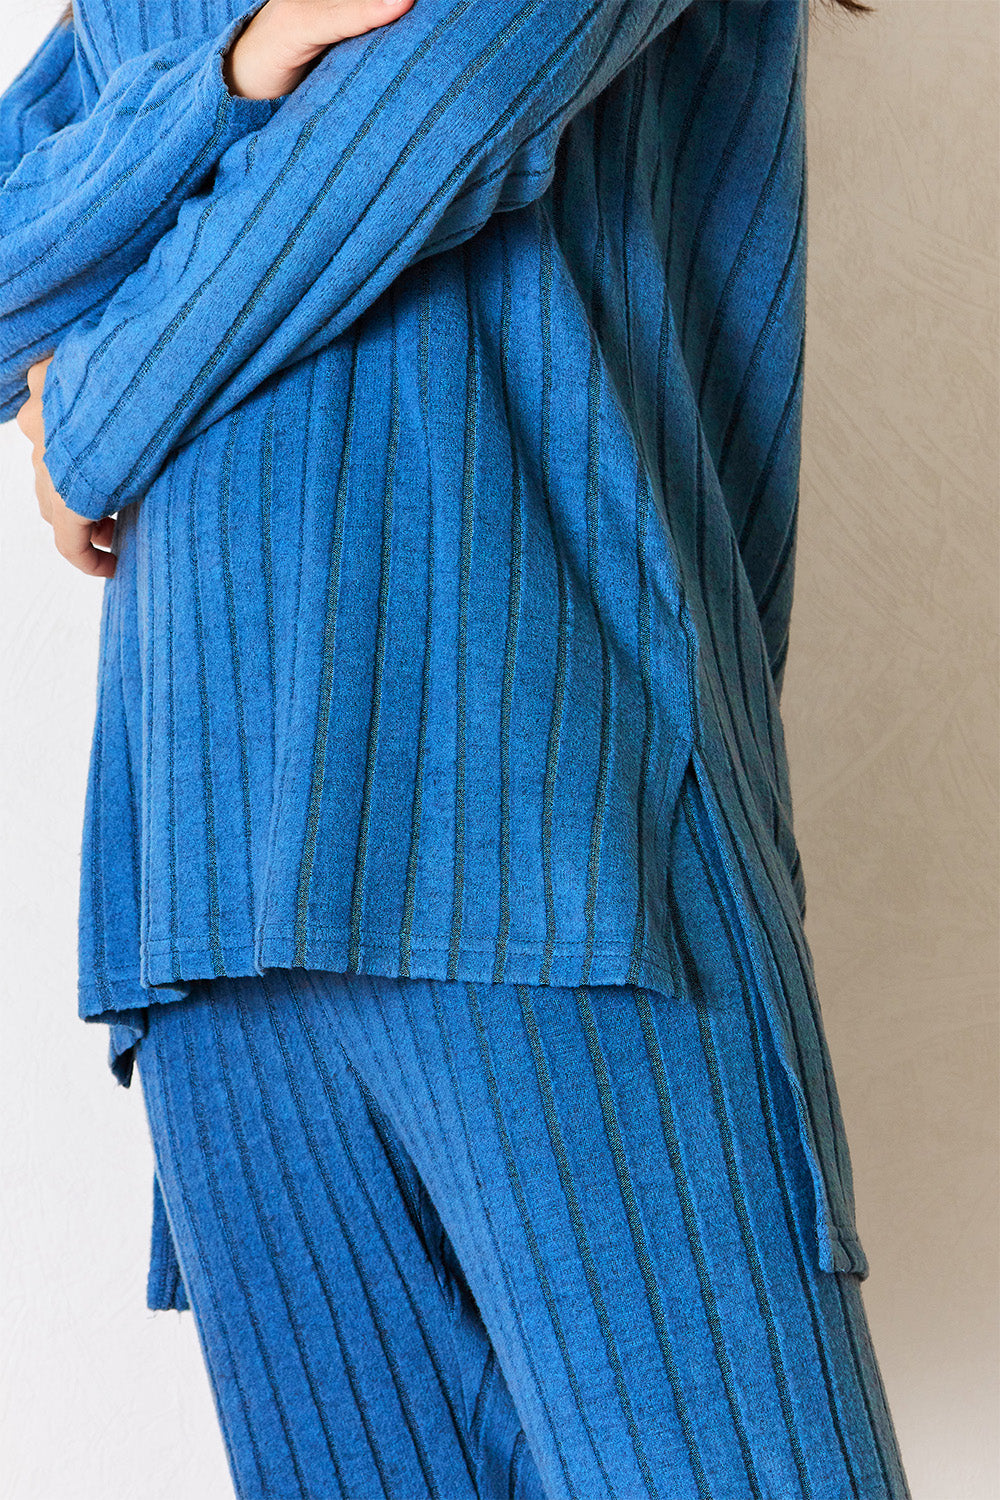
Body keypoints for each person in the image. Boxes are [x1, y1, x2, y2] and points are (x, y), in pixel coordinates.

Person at [2, 0, 914, 1494]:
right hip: (208, 885)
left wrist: (90, 410)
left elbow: (440, 114)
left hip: (551, 824)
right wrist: (228, 77)